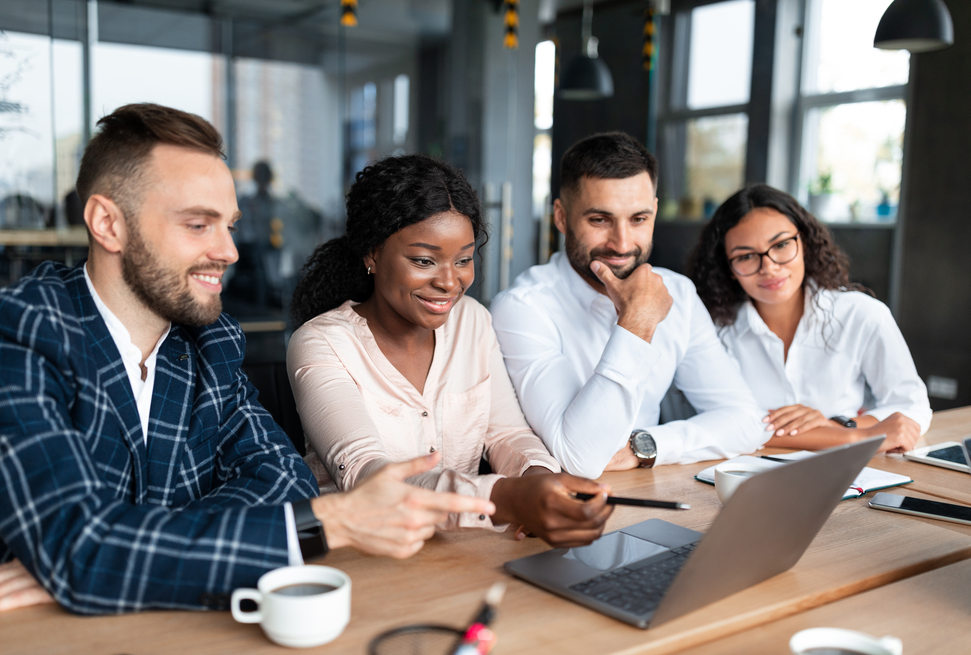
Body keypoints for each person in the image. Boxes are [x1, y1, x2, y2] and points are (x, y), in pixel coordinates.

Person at [0, 104, 493, 615]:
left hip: (168, 626)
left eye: (230, 226)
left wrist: (117, 553)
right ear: (108, 224)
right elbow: (79, 548)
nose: (229, 252)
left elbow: (287, 482)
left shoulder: (210, 341)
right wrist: (93, 554)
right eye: (199, 225)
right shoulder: (12, 333)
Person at [287, 154, 613, 547]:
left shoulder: (472, 321)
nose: (449, 282)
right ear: (372, 253)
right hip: (360, 558)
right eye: (424, 260)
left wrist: (542, 483)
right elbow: (366, 475)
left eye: (463, 260)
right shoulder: (321, 343)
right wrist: (508, 498)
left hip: (458, 552)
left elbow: (507, 433)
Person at [489, 132, 769, 479]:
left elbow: (746, 420)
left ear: (654, 212)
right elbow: (580, 458)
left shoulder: (678, 293)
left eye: (638, 219)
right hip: (565, 498)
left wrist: (645, 446)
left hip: (646, 487)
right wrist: (637, 322)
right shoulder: (521, 308)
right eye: (599, 220)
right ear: (561, 217)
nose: (621, 243)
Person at [688, 184, 930, 451]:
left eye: (781, 244)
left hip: (847, 468)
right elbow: (720, 426)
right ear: (728, 268)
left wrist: (836, 424)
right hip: (744, 471)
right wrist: (854, 435)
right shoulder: (713, 330)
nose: (769, 267)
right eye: (745, 256)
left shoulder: (861, 314)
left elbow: (912, 407)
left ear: (804, 243)